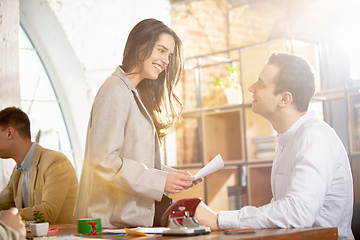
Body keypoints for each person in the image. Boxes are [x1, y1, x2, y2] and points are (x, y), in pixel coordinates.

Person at [194, 52, 354, 240]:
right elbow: (282, 213)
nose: (251, 88)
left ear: (284, 99)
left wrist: (219, 219)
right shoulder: (288, 140)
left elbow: (298, 213)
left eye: (261, 84)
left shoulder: (313, 139)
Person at [74, 18, 201, 228]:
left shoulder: (133, 93)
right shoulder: (115, 90)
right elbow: (104, 161)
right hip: (104, 223)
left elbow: (134, 159)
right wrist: (161, 181)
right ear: (141, 45)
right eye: (161, 50)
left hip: (124, 221)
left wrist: (172, 176)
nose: (166, 60)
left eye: (169, 55)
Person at [0, 106, 79, 224]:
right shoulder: (18, 172)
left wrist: (2, 215)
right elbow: (2, 203)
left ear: (10, 133)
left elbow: (48, 213)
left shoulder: (55, 162)